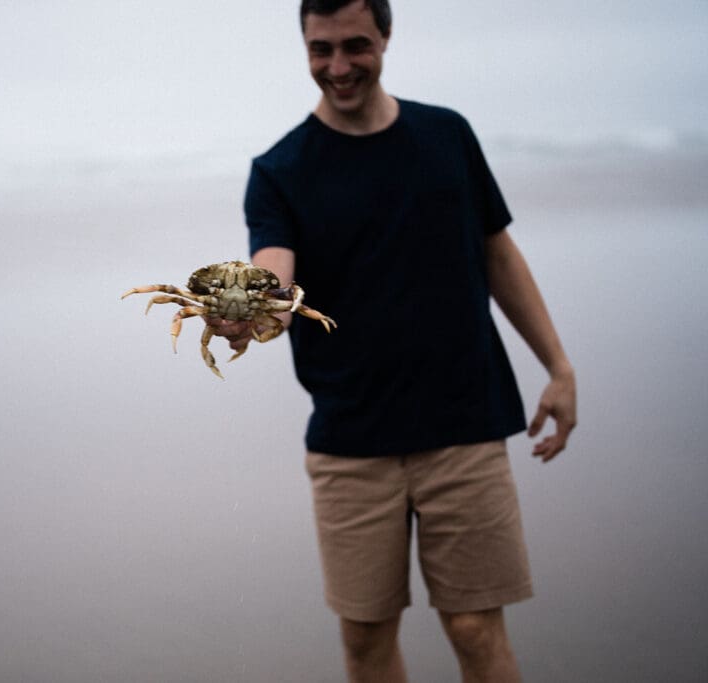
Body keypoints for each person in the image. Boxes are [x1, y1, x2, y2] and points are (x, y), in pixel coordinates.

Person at [208, 1, 577, 681]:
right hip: (351, 440)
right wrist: (251, 311)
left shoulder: (446, 135)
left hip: (464, 423)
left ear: (386, 36)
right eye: (321, 50)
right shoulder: (280, 170)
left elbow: (497, 252)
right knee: (364, 636)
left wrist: (558, 366)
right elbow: (274, 277)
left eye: (355, 45)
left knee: (475, 628)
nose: (338, 67)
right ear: (304, 47)